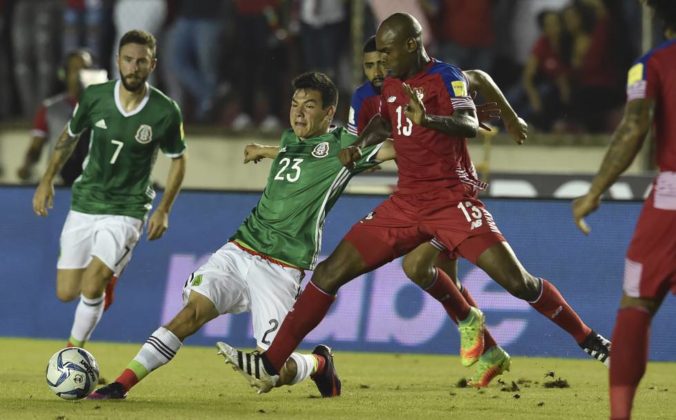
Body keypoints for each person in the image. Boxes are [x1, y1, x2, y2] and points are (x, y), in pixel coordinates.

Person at [219, 13, 611, 393]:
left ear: (411, 45)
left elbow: (468, 124)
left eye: (388, 52)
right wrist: (359, 145)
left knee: (517, 282)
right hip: (406, 204)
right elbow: (383, 122)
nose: (383, 62)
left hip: (451, 202)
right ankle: (270, 362)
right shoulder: (391, 84)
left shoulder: (445, 76)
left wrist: (434, 120)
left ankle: (588, 339)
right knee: (329, 272)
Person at [88, 72, 395, 400]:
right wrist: (263, 149)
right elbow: (298, 153)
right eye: (294, 104)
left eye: (309, 106)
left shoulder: (345, 147)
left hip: (282, 265)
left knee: (273, 371)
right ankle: (121, 384)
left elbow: (391, 149)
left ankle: (319, 363)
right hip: (242, 247)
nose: (298, 112)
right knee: (190, 314)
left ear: (329, 112)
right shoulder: (291, 138)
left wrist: (421, 140)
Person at [349, 35, 511, 388]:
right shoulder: (363, 99)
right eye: (370, 65)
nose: (378, 70)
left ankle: (486, 343)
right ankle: (491, 351)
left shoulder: (429, 78)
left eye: (383, 61)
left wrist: (510, 117)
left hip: (448, 193)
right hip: (415, 198)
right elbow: (353, 142)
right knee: (445, 280)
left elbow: (478, 77)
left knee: (423, 270)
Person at [32, 30, 187, 350]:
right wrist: (46, 179)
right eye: (128, 60)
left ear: (152, 65)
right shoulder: (95, 97)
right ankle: (108, 281)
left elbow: (178, 160)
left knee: (93, 285)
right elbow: (69, 136)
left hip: (127, 209)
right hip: (86, 201)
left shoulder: (165, 110)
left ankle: (72, 352)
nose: (134, 67)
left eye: (141, 61)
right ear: (118, 61)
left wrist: (164, 209)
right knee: (66, 292)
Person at [572, 1, 676, 418]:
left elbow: (634, 128)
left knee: (637, 303)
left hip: (669, 205)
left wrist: (595, 191)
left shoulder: (652, 64)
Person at [18, 49, 96, 186]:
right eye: (75, 69)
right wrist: (27, 165)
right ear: (64, 74)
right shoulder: (50, 109)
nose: (81, 73)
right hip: (59, 184)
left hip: (94, 185)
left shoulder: (104, 107)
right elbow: (36, 147)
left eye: (85, 69)